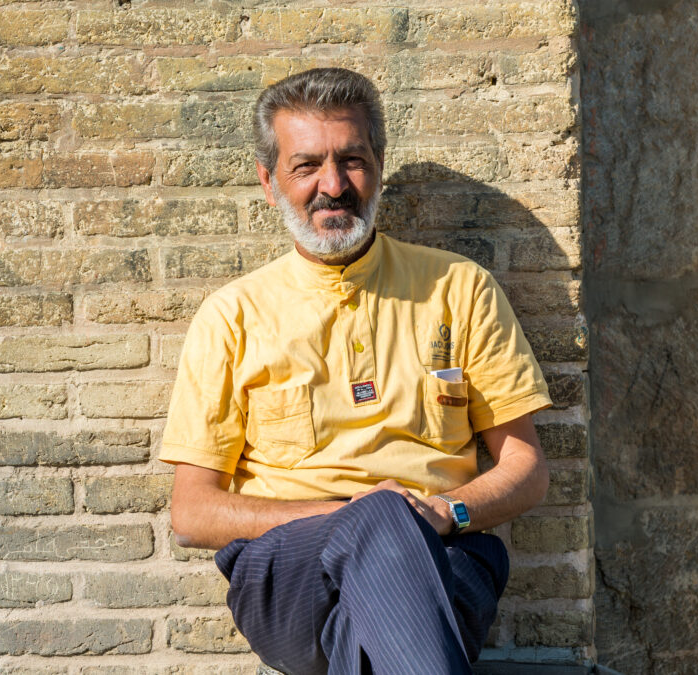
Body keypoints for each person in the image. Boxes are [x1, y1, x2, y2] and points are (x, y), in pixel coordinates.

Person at [160, 67, 553, 675]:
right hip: (291, 572)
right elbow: (192, 514)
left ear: (379, 165)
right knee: (381, 521)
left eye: (352, 161)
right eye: (306, 166)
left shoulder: (459, 289)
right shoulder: (233, 316)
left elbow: (526, 469)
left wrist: (447, 512)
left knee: (379, 612)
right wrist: (356, 516)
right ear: (269, 182)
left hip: (444, 552)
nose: (334, 185)